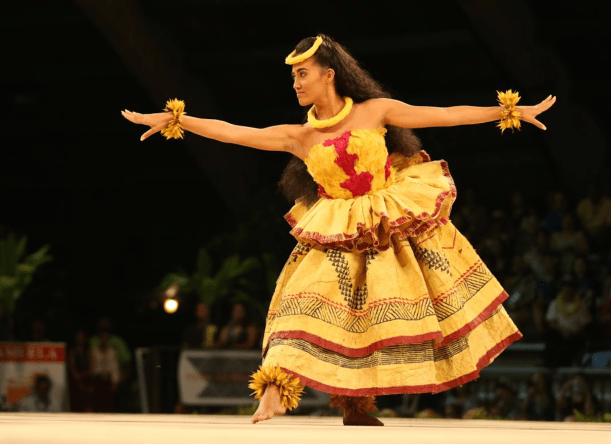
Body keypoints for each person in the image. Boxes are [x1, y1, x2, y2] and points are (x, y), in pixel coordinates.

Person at [122, 34, 555, 425]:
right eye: (293, 76)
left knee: (375, 319)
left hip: (386, 225)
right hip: (335, 231)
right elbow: (234, 133)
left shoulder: (374, 111)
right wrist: (178, 120)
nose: (295, 83)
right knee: (295, 306)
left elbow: (444, 115)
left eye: (303, 74)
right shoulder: (300, 136)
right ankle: (273, 391)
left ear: (329, 75)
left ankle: (355, 404)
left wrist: (509, 111)